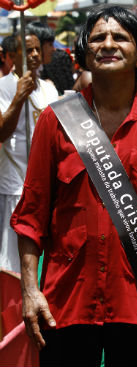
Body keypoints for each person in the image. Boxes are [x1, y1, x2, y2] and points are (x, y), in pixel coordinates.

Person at [11, 6, 137, 367]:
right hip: (65, 300)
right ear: (84, 53)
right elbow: (31, 215)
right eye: (98, 38)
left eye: (120, 37)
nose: (108, 44)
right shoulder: (56, 121)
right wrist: (30, 291)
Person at [0, 31, 58, 273]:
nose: (34, 54)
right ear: (13, 55)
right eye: (28, 49)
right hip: (15, 184)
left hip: (44, 184)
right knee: (13, 262)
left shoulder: (48, 88)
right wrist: (18, 97)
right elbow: (1, 133)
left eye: (37, 49)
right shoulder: (3, 86)